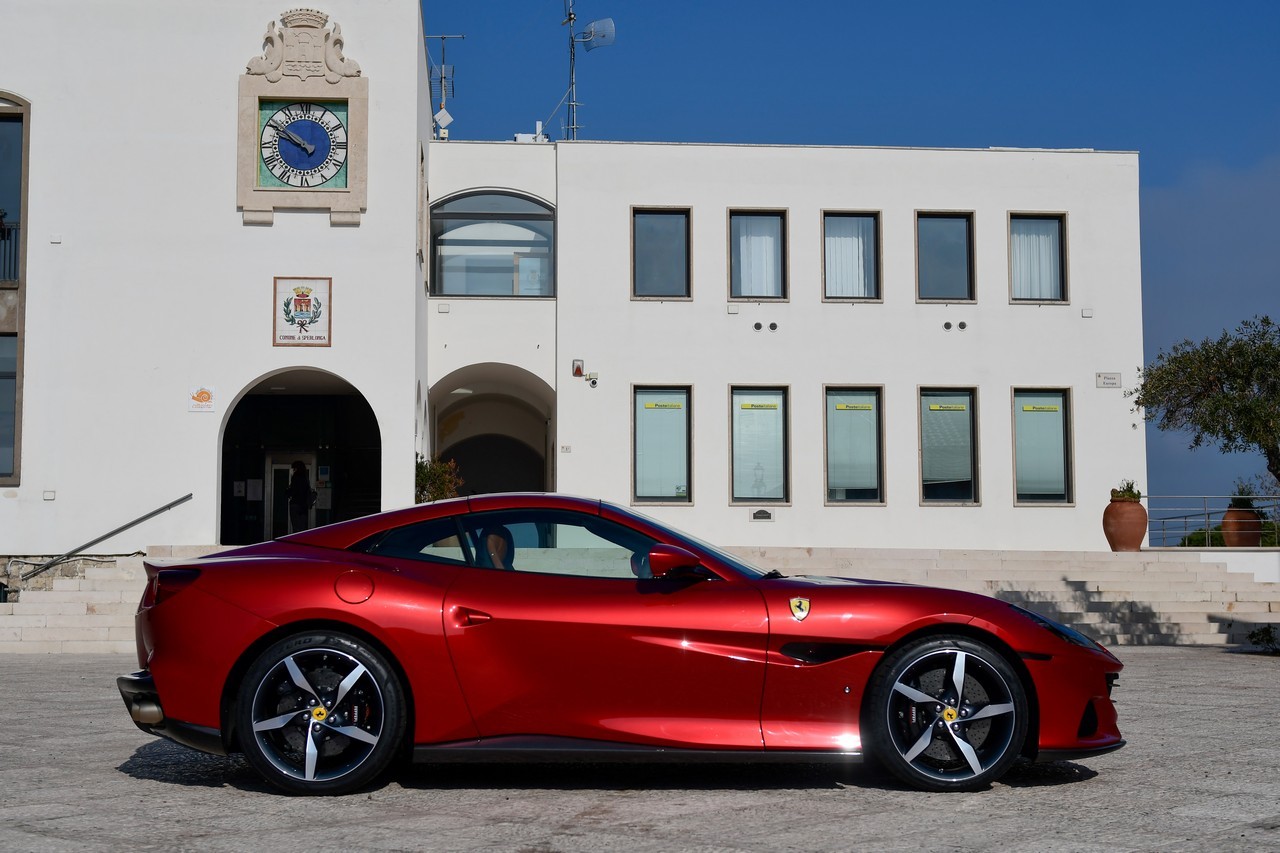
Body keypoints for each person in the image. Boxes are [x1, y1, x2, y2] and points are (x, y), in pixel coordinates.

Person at [287, 460, 313, 533]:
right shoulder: (305, 478)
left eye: (294, 468)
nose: (293, 470)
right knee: (302, 528)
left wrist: (287, 491)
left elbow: (293, 491)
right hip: (303, 506)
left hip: (295, 504)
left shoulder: (295, 477)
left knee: (296, 527)